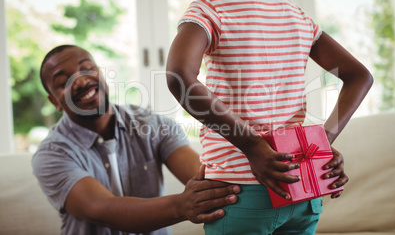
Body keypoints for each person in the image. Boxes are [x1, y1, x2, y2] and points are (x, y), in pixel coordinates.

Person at [166, 0, 373, 234]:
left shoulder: (210, 8)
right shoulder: (295, 14)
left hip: (238, 193)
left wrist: (252, 146)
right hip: (300, 189)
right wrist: (320, 145)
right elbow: (360, 76)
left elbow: (178, 76)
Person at [32, 44, 241, 235]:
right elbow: (102, 210)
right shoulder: (51, 154)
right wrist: (182, 205)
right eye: (62, 82)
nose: (80, 81)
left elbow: (206, 178)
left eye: (87, 69)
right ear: (54, 102)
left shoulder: (152, 124)